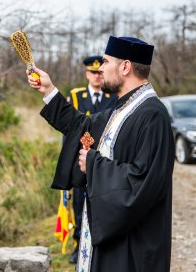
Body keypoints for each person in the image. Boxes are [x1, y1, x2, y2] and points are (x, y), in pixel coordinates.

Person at [27, 36, 175, 271]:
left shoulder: (152, 115)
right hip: (116, 234)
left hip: (134, 242)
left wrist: (94, 164)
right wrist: (49, 90)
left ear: (125, 67)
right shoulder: (122, 108)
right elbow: (81, 126)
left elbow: (145, 180)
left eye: (106, 62)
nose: (101, 68)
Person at [66, 55, 117, 264]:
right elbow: (69, 133)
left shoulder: (112, 97)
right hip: (81, 161)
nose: (97, 76)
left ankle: (99, 243)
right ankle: (79, 245)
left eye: (99, 72)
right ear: (87, 74)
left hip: (102, 161)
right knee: (79, 205)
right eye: (92, 73)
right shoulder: (76, 97)